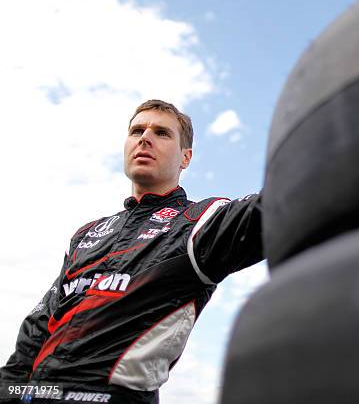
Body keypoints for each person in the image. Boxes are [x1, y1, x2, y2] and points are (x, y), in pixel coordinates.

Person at [0, 100, 263, 403]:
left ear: (185, 157)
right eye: (137, 130)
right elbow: (36, 330)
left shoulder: (200, 223)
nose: (145, 138)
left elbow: (280, 205)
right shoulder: (87, 234)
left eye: (162, 133)